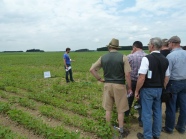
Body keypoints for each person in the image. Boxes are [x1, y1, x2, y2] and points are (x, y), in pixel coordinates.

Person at [90, 38, 132, 138]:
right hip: (120, 86)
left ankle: (108, 128)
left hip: (107, 85)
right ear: (117, 47)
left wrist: (100, 79)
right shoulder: (123, 57)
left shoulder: (103, 57)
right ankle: (121, 130)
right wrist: (129, 87)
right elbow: (127, 75)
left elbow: (92, 69)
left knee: (108, 109)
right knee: (120, 109)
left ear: (109, 47)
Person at [135, 37, 170, 139]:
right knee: (157, 112)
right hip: (159, 89)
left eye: (149, 44)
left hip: (147, 90)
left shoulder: (147, 58)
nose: (148, 45)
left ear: (152, 46)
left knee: (146, 113)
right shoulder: (165, 59)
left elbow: (141, 77)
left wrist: (137, 90)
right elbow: (167, 76)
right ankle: (156, 134)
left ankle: (147, 136)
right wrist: (162, 87)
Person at [162, 36, 186, 134]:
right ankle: (181, 127)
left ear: (172, 43)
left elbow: (167, 74)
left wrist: (164, 86)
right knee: (184, 106)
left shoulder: (171, 56)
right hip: (185, 82)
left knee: (171, 106)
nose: (168, 45)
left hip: (173, 82)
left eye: (168, 44)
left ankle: (169, 128)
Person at [125, 41, 147, 127]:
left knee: (128, 100)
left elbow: (125, 70)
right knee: (142, 101)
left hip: (132, 82)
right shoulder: (147, 56)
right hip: (143, 82)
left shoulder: (130, 56)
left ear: (134, 47)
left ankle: (125, 117)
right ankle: (141, 120)